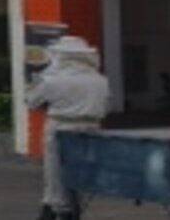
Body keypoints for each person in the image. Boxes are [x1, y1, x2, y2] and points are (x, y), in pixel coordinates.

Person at [26, 36, 109, 220]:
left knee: (55, 172)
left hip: (60, 126)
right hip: (92, 129)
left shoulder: (50, 80)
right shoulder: (100, 80)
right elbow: (105, 106)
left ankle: (56, 209)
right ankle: (72, 206)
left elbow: (31, 102)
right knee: (80, 172)